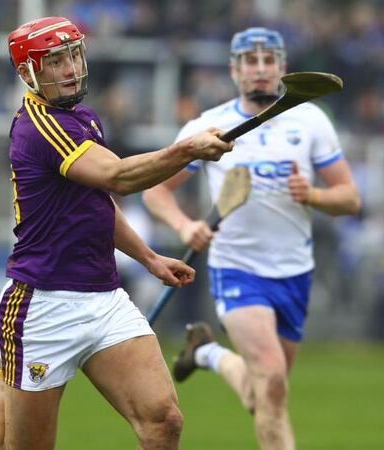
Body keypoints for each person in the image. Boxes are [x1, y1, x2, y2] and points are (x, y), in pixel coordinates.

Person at [0, 16, 233, 450]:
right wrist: (186, 149)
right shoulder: (40, 127)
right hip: (42, 306)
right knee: (14, 442)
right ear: (29, 72)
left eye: (72, 55)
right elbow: (119, 176)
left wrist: (150, 258)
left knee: (163, 421)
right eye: (55, 61)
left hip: (104, 298)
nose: (69, 68)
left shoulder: (81, 116)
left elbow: (98, 200)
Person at [142, 27, 361, 450]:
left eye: (268, 61)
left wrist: (313, 194)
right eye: (250, 61)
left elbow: (349, 199)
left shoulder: (310, 120)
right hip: (237, 268)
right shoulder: (209, 125)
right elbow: (155, 191)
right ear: (234, 69)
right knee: (273, 381)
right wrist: (185, 226)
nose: (259, 70)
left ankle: (206, 353)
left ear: (281, 67)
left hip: (295, 271)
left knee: (263, 393)